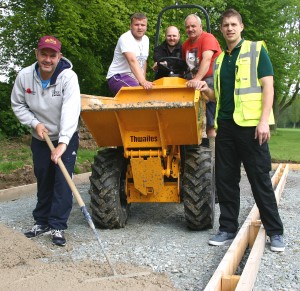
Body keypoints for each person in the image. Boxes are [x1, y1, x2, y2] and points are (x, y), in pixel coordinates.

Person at [196, 9, 285, 252]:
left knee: (259, 180)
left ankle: (276, 232)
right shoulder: (221, 59)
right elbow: (221, 96)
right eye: (225, 25)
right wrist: (207, 90)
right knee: (226, 180)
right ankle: (227, 228)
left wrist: (264, 120)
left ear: (241, 26)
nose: (229, 28)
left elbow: (268, 86)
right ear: (222, 29)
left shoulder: (256, 50)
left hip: (252, 128)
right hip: (226, 127)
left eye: (233, 24)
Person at [11, 35, 81, 247]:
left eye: (53, 55)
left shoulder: (68, 78)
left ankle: (57, 225)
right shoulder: (24, 76)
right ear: (37, 54)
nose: (48, 59)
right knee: (43, 177)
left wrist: (63, 142)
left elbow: (71, 111)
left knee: (62, 180)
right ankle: (41, 222)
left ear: (59, 56)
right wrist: (34, 123)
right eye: (44, 54)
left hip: (65, 137)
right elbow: (18, 104)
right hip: (39, 137)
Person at [183, 14, 222, 148]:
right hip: (194, 80)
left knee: (206, 114)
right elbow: (184, 65)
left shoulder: (208, 38)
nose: (190, 29)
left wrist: (197, 80)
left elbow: (206, 60)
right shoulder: (185, 45)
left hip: (210, 78)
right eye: (187, 27)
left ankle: (210, 148)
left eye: (193, 26)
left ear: (200, 26)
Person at [106, 12, 153, 95]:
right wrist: (143, 81)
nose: (140, 28)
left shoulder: (146, 39)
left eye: (143, 25)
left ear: (146, 27)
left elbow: (143, 61)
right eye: (136, 25)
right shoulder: (125, 38)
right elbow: (132, 61)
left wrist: (142, 80)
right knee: (138, 94)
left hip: (133, 78)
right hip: (118, 76)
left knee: (149, 94)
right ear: (130, 26)